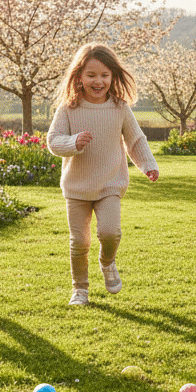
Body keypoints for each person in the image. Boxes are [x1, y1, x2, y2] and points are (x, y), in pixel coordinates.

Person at [46, 43, 159, 306]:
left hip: (110, 184)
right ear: (79, 77)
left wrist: (148, 164)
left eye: (105, 75)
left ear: (113, 77)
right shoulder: (69, 108)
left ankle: (107, 262)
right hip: (77, 188)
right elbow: (53, 141)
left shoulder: (120, 108)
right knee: (79, 242)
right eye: (91, 75)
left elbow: (135, 140)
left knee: (110, 233)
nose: (98, 81)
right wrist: (73, 142)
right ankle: (80, 289)